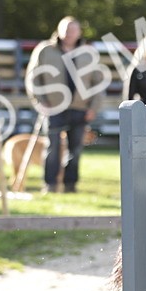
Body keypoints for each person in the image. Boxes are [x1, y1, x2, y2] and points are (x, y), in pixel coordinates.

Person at [25, 16, 104, 193]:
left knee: (75, 150)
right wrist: (40, 101)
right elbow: (33, 77)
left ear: (79, 32)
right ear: (59, 30)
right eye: (66, 29)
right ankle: (50, 185)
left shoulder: (88, 53)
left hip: (80, 108)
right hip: (53, 108)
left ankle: (70, 185)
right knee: (52, 148)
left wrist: (93, 107)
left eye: (73, 30)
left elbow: (98, 83)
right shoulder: (45, 50)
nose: (69, 34)